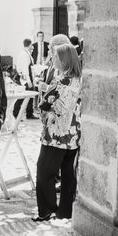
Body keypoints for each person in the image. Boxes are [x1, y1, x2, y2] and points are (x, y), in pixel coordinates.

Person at [33, 43, 82, 221]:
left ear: (64, 60)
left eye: (55, 56)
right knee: (69, 176)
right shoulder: (81, 81)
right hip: (74, 136)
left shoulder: (60, 81)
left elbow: (43, 106)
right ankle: (66, 212)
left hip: (55, 136)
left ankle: (47, 211)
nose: (52, 59)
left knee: (45, 172)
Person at [13, 38, 37, 120]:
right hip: (25, 79)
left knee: (29, 97)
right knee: (22, 97)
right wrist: (29, 81)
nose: (32, 47)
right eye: (32, 45)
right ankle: (15, 114)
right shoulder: (24, 55)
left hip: (27, 78)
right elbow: (25, 70)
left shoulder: (26, 53)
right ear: (30, 45)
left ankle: (29, 114)